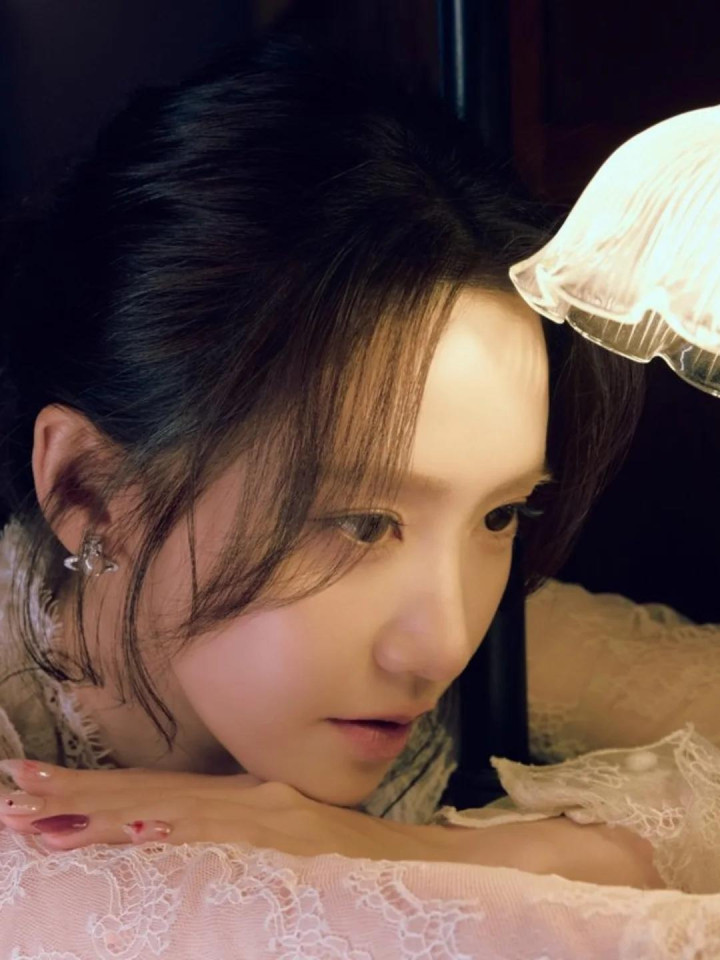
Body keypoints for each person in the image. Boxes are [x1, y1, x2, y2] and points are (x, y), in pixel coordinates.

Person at [1, 34, 719, 958]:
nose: (445, 644)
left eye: (500, 515)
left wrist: (399, 848)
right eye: (363, 523)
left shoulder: (490, 640)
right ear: (91, 489)